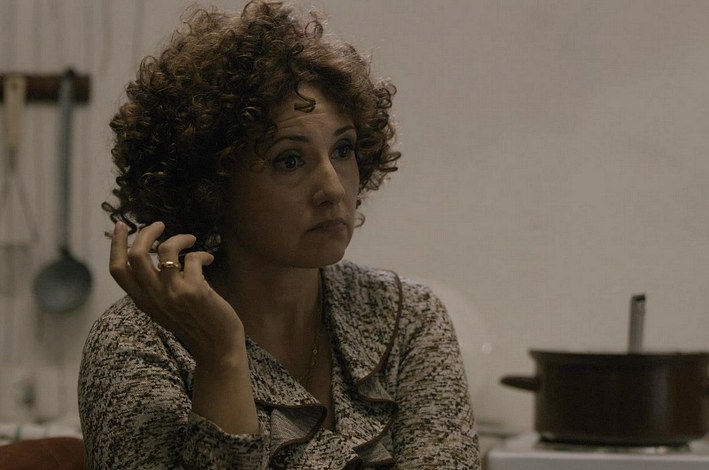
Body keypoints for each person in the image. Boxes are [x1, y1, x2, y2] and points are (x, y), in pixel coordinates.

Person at [78, 1, 479, 468]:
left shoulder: (407, 318)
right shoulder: (136, 342)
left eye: (343, 150)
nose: (334, 188)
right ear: (212, 187)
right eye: (290, 160)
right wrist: (221, 358)